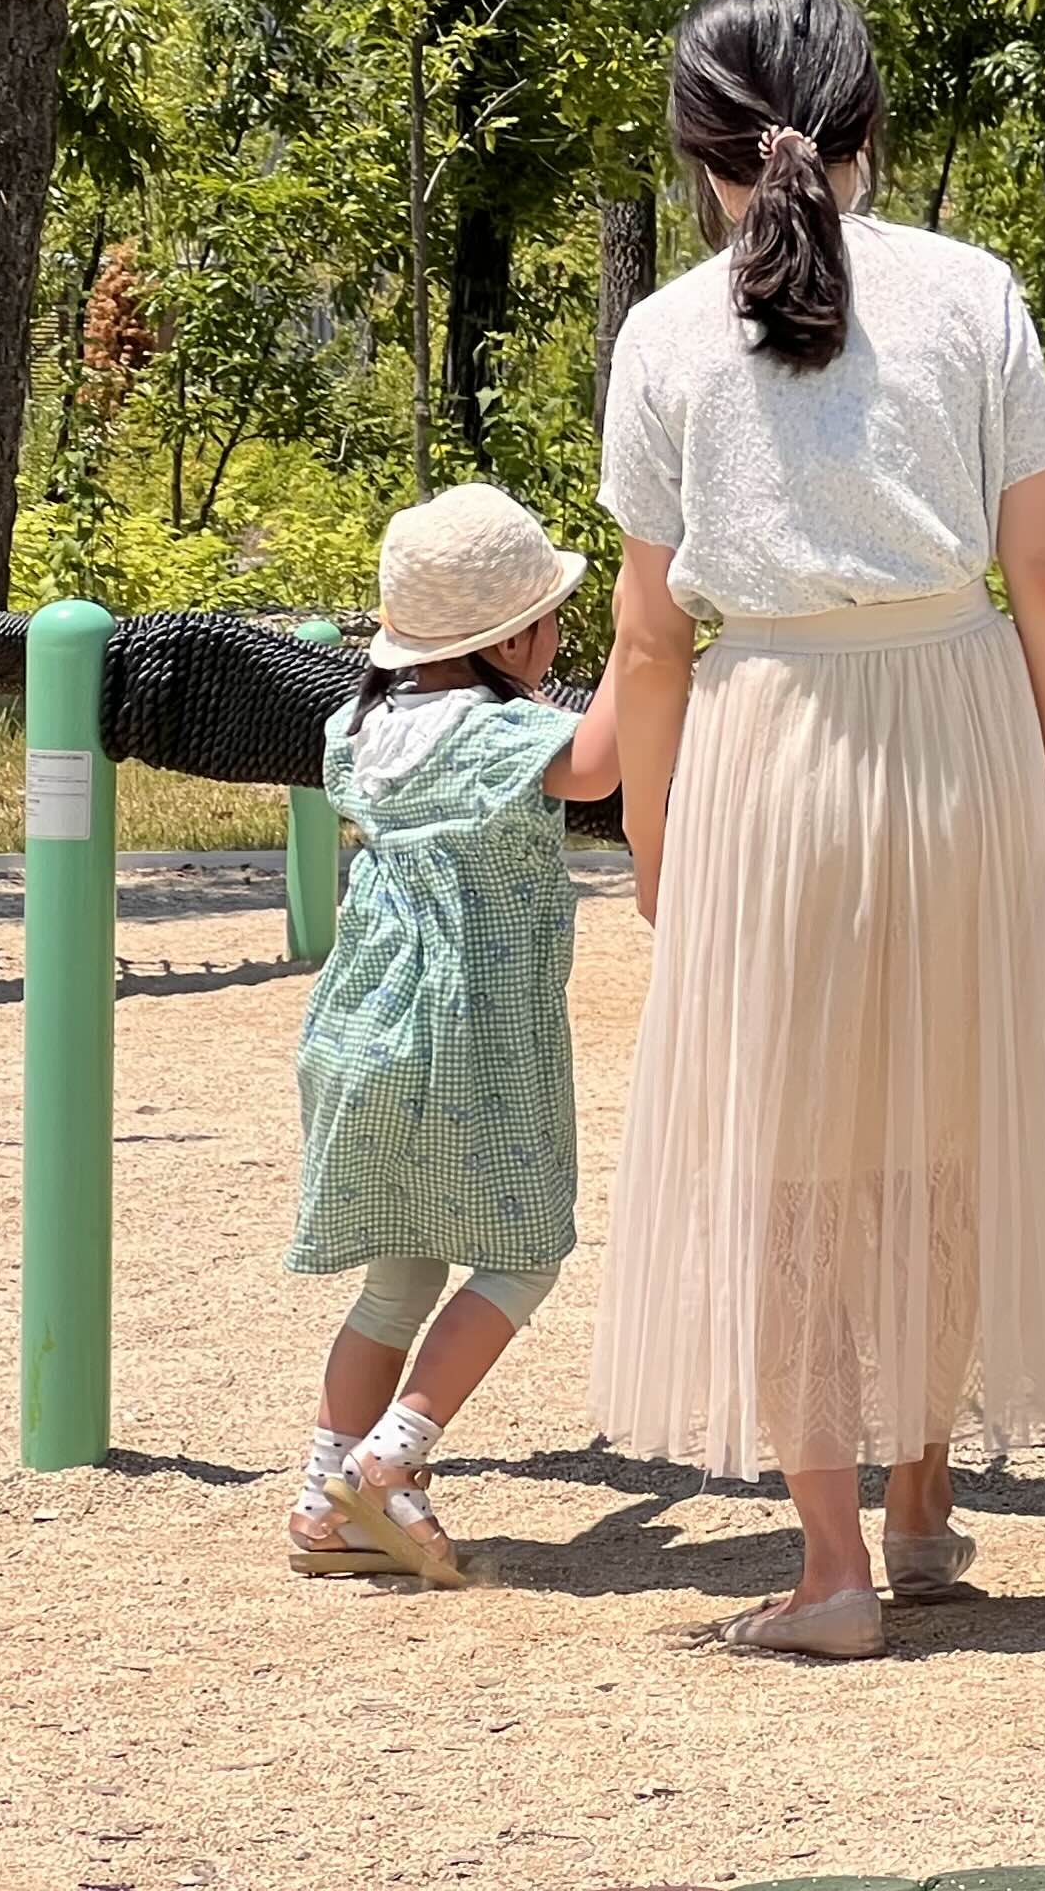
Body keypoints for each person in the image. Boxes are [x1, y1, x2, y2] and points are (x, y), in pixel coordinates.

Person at [588, 0, 1045, 1660]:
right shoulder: (972, 294)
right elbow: (1043, 573)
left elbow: (648, 637)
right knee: (941, 1118)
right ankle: (922, 1502)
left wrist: (657, 840)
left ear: (699, 151)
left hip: (773, 747)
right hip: (961, 726)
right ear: (869, 124)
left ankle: (828, 1572)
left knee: (786, 1160)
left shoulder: (668, 334)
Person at [286, 481, 626, 1588]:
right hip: (471, 1041)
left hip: (362, 1031)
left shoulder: (357, 729)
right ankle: (390, 1459)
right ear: (509, 639)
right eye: (551, 619)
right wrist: (646, 641)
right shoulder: (501, 734)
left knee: (397, 1277)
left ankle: (324, 1502)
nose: (559, 637)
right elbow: (598, 766)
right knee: (525, 1254)